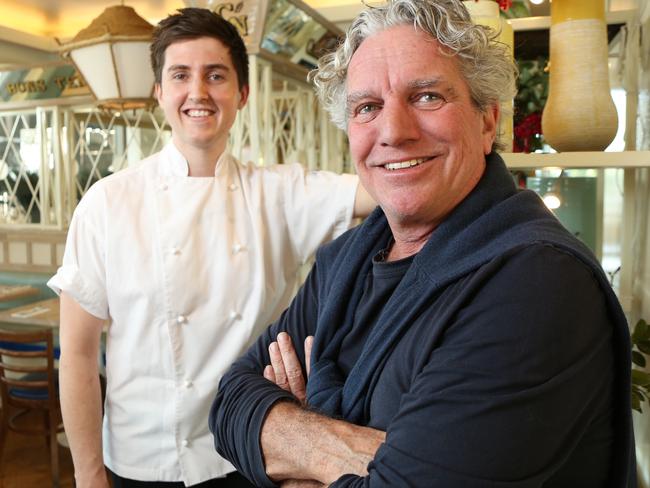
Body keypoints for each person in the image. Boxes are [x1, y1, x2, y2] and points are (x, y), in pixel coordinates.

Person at [209, 0, 637, 486]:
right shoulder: (345, 258)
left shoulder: (536, 281)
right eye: (368, 107)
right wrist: (344, 448)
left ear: (486, 122)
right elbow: (228, 403)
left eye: (427, 97)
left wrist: (291, 437)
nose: (393, 132)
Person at [48, 8, 374, 488]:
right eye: (180, 75)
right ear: (159, 91)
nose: (197, 92)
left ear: (242, 93)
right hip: (140, 461)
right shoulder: (106, 204)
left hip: (249, 454)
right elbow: (76, 354)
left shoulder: (278, 194)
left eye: (215, 75)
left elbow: (381, 191)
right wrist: (88, 474)